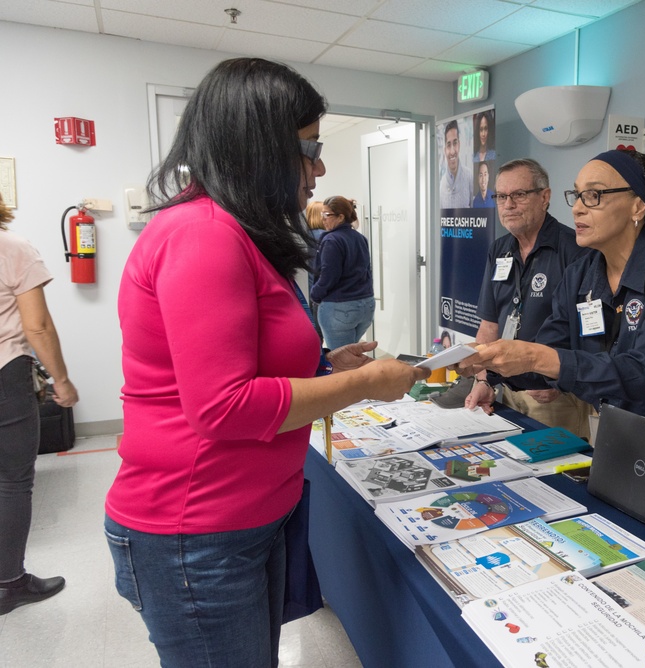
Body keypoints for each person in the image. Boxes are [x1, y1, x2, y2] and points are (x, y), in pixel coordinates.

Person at [105, 58, 428, 667]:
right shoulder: (203, 234)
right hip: (196, 527)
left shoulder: (237, 231)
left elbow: (241, 362)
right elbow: (224, 407)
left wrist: (328, 364)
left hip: (247, 516)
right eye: (310, 147)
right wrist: (361, 384)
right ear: (260, 145)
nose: (321, 167)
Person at [460, 149, 645, 502]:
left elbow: (644, 370)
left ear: (637, 206)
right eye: (576, 195)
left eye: (593, 195)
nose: (578, 207)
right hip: (623, 443)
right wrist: (489, 364)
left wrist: (534, 358)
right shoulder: (582, 273)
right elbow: (551, 350)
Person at [464, 158, 593, 439]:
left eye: (519, 195)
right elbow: (489, 327)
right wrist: (484, 379)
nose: (508, 204)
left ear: (544, 197)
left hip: (551, 397)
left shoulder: (577, 251)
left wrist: (561, 381)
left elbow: (594, 334)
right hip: (504, 394)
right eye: (500, 196)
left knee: (555, 480)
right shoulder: (498, 250)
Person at [0, 192, 79, 616]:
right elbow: (38, 325)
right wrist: (61, 382)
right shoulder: (12, 248)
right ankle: (8, 583)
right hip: (3, 376)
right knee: (12, 481)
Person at [311, 196, 376, 350]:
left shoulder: (331, 240)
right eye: (322, 215)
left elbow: (328, 276)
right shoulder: (360, 238)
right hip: (365, 306)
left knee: (343, 361)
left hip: (340, 308)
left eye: (327, 215)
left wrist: (314, 295)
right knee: (351, 355)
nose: (323, 220)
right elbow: (367, 270)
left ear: (340, 217)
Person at [439, 119, 473, 208]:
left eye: (455, 143)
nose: (452, 151)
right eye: (449, 145)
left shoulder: (469, 176)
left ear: (459, 144)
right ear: (445, 150)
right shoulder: (442, 184)